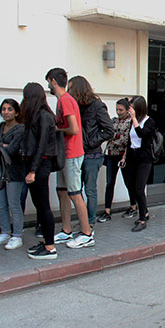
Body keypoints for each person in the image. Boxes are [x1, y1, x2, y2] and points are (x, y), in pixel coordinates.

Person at [46, 67, 95, 249]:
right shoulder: (64, 100)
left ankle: (86, 234)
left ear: (52, 81)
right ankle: (66, 230)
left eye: (48, 83)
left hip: (72, 153)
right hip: (65, 153)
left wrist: (56, 130)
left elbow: (73, 129)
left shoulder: (65, 100)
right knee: (63, 192)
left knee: (75, 194)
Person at [69, 76, 113, 229]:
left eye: (71, 88)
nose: (69, 92)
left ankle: (90, 220)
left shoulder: (97, 106)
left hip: (91, 154)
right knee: (76, 189)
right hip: (76, 152)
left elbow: (109, 130)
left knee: (90, 189)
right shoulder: (75, 106)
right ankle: (84, 219)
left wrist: (90, 142)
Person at [21, 83, 59, 260]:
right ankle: (46, 242)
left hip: (40, 165)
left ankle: (50, 247)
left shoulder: (43, 116)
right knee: (40, 206)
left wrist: (33, 170)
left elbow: (42, 145)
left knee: (43, 207)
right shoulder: (37, 116)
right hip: (36, 165)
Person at [0, 99, 25, 250]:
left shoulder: (21, 129)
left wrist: (1, 146)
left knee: (13, 204)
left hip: (14, 171)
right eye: (3, 109)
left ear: (16, 112)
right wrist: (3, 146)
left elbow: (13, 149)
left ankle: (17, 236)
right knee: (0, 204)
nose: (6, 112)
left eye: (9, 109)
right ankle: (4, 232)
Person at [97, 98, 136, 223]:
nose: (118, 112)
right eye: (117, 109)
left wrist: (115, 140)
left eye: (121, 110)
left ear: (127, 110)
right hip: (112, 154)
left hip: (125, 155)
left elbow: (126, 140)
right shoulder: (113, 121)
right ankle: (107, 210)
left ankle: (133, 206)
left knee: (128, 182)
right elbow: (108, 135)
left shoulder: (131, 122)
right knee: (110, 183)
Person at [123, 96, 156, 231]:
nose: (131, 111)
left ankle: (142, 219)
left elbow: (141, 134)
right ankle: (145, 210)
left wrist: (134, 119)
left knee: (139, 187)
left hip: (144, 158)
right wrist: (124, 156)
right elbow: (130, 140)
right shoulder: (132, 121)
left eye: (133, 108)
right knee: (130, 184)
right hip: (132, 156)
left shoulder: (149, 122)